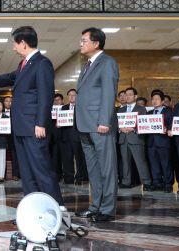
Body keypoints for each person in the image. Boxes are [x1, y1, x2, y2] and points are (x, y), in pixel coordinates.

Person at [0, 26, 65, 209]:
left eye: (14, 44)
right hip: (20, 127)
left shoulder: (43, 63)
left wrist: (41, 123)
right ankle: (33, 209)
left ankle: (57, 210)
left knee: (41, 170)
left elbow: (46, 94)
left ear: (23, 43)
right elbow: (11, 77)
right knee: (26, 172)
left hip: (34, 127)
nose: (13, 48)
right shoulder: (24, 64)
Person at [73, 27, 119, 222]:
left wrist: (104, 121)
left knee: (107, 168)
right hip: (85, 124)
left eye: (84, 40)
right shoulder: (86, 65)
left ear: (96, 43)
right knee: (93, 169)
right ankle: (95, 206)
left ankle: (107, 209)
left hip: (100, 125)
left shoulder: (107, 62)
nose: (81, 44)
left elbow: (109, 92)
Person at [118, 87, 152, 190]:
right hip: (123, 138)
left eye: (130, 94)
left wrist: (133, 128)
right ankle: (126, 182)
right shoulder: (121, 109)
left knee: (140, 161)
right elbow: (117, 123)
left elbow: (143, 123)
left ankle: (146, 182)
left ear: (135, 96)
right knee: (125, 162)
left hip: (136, 137)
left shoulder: (141, 109)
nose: (127, 96)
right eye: (126, 95)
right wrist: (121, 129)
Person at [146, 91, 174, 193]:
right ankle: (157, 183)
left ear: (162, 101)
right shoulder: (148, 113)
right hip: (151, 142)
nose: (154, 101)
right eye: (153, 99)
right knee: (154, 164)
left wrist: (167, 129)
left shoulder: (169, 113)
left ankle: (168, 184)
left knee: (166, 164)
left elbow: (172, 126)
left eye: (157, 99)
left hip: (163, 142)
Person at [58, 89, 87, 185]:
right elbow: (60, 119)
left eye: (73, 95)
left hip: (77, 136)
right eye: (69, 95)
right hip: (65, 136)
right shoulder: (63, 108)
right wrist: (59, 124)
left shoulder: (80, 108)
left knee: (79, 159)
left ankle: (79, 178)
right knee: (67, 159)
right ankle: (68, 178)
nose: (71, 97)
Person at [3, 96, 19, 181]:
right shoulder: (0, 112)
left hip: (13, 136)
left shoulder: (17, 111)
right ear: (4, 102)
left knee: (14, 156)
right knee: (2, 156)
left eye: (10, 101)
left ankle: (15, 174)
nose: (9, 103)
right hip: (2, 136)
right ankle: (3, 174)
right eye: (6, 101)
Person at [50, 93, 64, 181]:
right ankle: (57, 175)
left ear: (62, 100)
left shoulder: (66, 108)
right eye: (55, 100)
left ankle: (68, 176)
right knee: (55, 157)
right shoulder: (51, 109)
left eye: (58, 100)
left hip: (64, 135)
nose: (57, 101)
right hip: (54, 135)